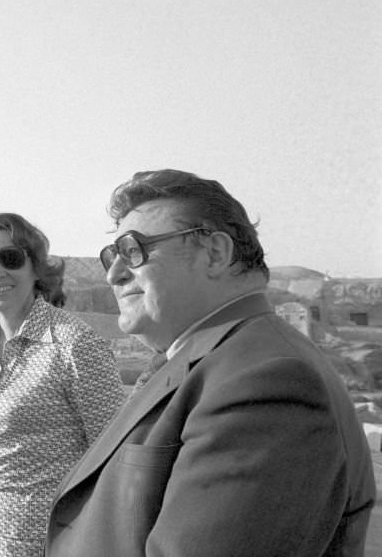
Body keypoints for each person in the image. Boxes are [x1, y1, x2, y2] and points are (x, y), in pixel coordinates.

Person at [45, 169, 376, 557]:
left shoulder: (267, 382)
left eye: (133, 250)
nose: (115, 274)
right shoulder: (205, 361)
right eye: (111, 256)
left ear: (215, 253)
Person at [0, 213, 125, 557]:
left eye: (11, 258)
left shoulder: (75, 345)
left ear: (36, 268)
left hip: (44, 544)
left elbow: (115, 462)